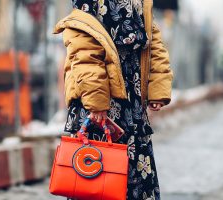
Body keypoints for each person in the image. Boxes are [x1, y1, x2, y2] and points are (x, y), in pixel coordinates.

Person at [54, 0, 173, 199]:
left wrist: (157, 87)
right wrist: (96, 101)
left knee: (134, 178)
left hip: (132, 99)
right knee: (96, 174)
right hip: (100, 97)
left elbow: (154, 42)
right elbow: (84, 50)